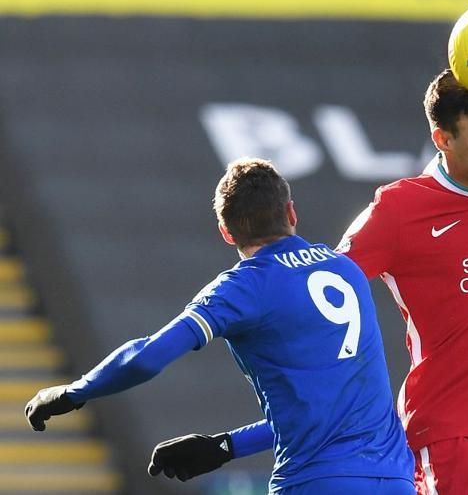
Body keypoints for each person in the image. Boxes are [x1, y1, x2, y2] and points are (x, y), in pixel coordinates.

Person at [141, 70, 468, 494]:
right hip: (454, 439)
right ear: (444, 139)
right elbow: (316, 299)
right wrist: (232, 443)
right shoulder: (398, 212)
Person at [24, 158, 415, 494]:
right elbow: (320, 414)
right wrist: (225, 447)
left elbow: (149, 356)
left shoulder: (243, 287)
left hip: (314, 481)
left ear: (226, 232)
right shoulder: (344, 268)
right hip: (396, 479)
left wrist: (76, 391)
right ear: (291, 213)